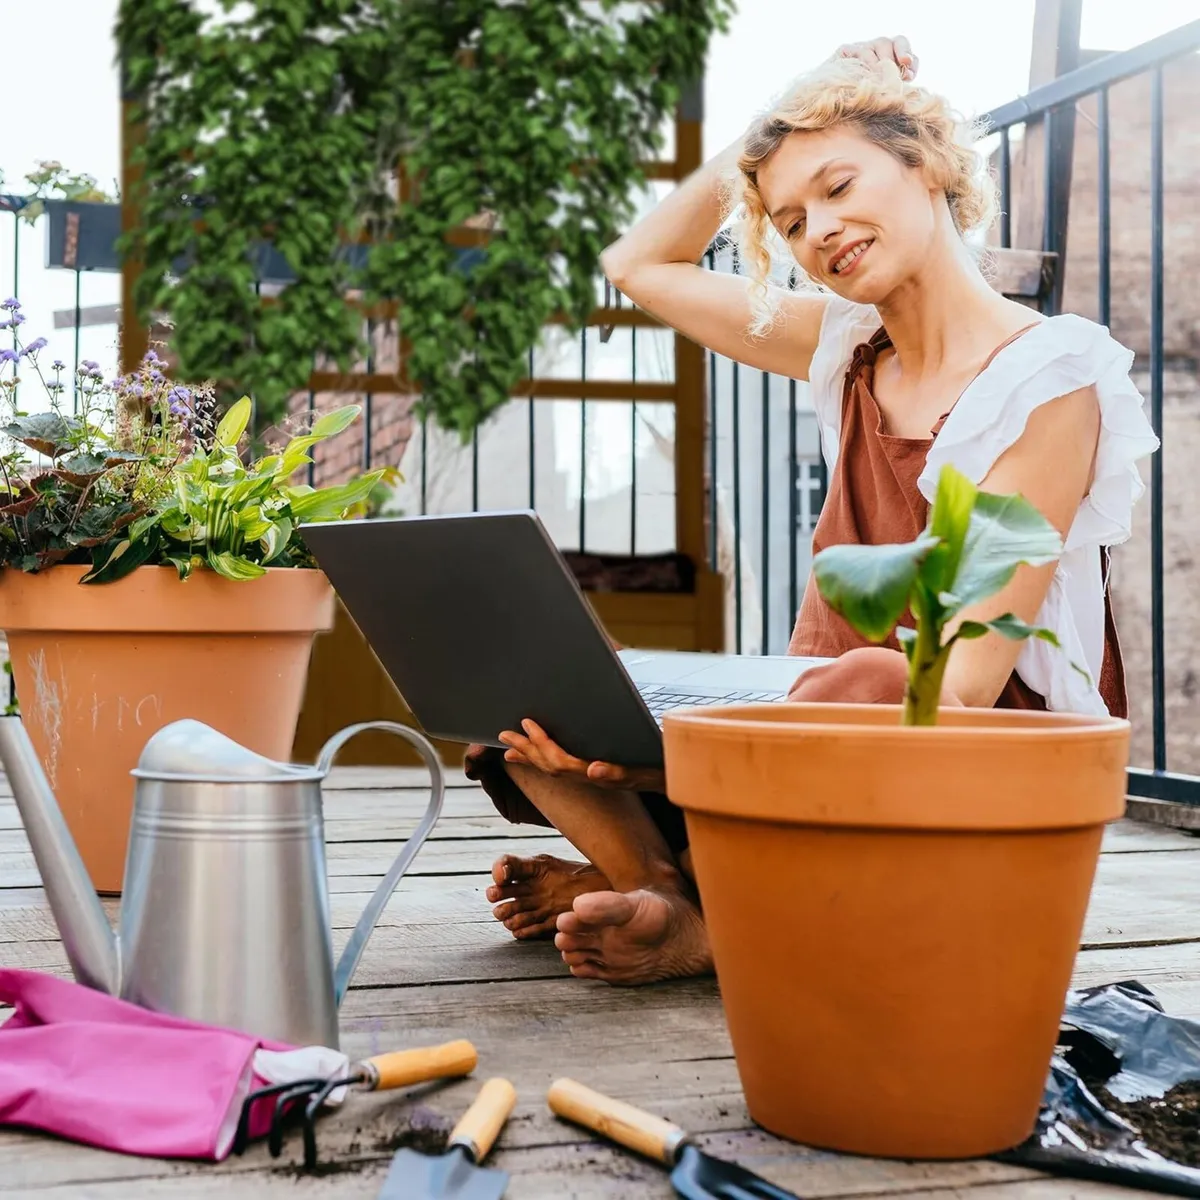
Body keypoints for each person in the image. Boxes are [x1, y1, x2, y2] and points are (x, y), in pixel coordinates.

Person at [465, 35, 1160, 987]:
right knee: (542, 695)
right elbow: (636, 262)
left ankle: (709, 915)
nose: (819, 229)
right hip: (796, 746)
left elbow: (952, 684)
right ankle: (662, 890)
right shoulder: (847, 348)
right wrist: (779, 111)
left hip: (954, 764)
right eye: (789, 220)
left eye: (838, 187)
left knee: (869, 680)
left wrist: (669, 764)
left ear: (926, 165)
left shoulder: (1052, 379)